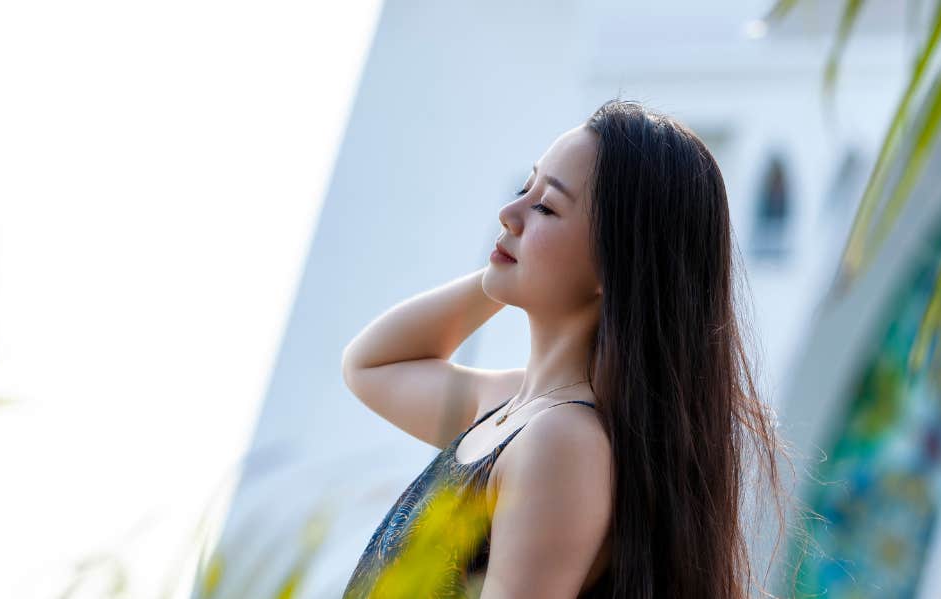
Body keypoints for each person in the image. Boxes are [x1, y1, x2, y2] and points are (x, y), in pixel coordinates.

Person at [340, 98, 797, 599]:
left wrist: (516, 258)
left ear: (615, 265)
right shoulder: (512, 409)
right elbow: (371, 364)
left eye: (545, 206)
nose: (508, 212)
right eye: (524, 187)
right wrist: (510, 259)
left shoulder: (560, 441)